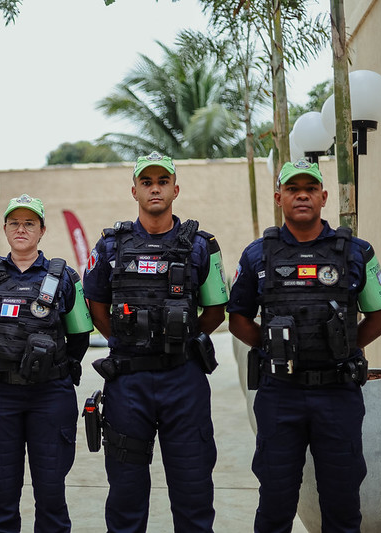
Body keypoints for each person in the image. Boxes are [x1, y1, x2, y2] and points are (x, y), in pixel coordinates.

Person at [227, 159, 381, 532]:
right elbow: (237, 318)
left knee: (343, 501)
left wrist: (345, 347)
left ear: (323, 196)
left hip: (338, 393)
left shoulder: (356, 252)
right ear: (278, 197)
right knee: (275, 499)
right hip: (280, 394)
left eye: (310, 188)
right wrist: (273, 351)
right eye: (292, 188)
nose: (302, 194)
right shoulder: (256, 255)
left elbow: (380, 316)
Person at [82, 151, 228, 532]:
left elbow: (215, 311)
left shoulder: (201, 246)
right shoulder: (110, 246)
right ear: (134, 191)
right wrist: (128, 343)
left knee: (193, 490)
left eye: (162, 182)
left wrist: (180, 341)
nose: (155, 189)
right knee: (127, 495)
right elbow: (96, 307)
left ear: (175, 189)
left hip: (184, 380)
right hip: (128, 384)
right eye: (147, 182)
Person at [0, 194, 93, 532]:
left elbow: (79, 335)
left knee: (51, 491)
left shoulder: (66, 279)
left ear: (42, 231)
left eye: (29, 223)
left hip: (50, 395)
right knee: (1, 493)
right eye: (14, 223)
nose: (21, 229)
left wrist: (52, 368)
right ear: (5, 228)